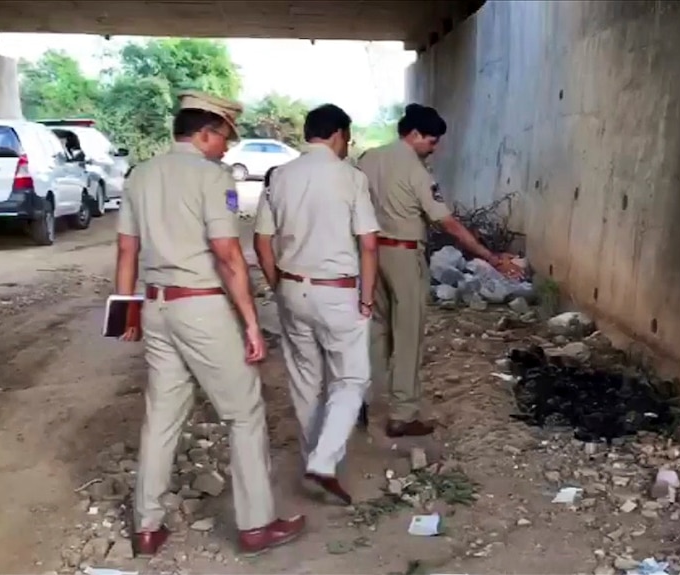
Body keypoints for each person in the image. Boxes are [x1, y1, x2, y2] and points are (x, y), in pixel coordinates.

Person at [114, 90, 306, 558]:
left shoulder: (141, 174)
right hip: (201, 308)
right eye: (223, 137)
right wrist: (252, 324)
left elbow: (126, 250)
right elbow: (226, 255)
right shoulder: (211, 176)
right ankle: (257, 525)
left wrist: (126, 313)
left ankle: (147, 527)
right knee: (244, 412)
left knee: (161, 417)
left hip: (157, 307)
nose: (226, 148)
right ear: (204, 134)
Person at [357, 103, 524, 437]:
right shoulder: (416, 172)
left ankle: (359, 400)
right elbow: (447, 223)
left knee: (375, 332)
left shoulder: (367, 159)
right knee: (408, 335)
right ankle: (402, 414)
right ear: (415, 135)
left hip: (370, 254)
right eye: (432, 142)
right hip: (404, 256)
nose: (435, 149)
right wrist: (489, 257)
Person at [253, 103, 378, 505]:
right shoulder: (351, 178)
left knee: (306, 380)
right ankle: (323, 462)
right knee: (352, 378)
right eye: (348, 138)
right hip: (338, 292)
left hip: (292, 289)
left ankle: (315, 460)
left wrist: (278, 285)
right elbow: (369, 243)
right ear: (339, 134)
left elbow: (261, 241)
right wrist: (368, 295)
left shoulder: (279, 176)